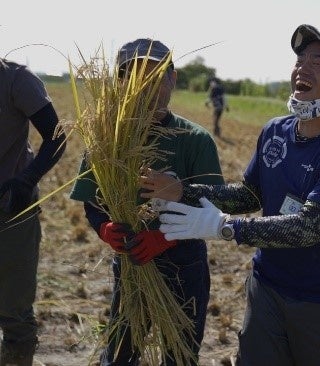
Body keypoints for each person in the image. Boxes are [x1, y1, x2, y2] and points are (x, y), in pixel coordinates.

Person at [138, 24, 320, 366]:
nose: (302, 67)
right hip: (265, 287)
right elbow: (249, 195)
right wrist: (181, 191)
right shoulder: (274, 131)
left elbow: (309, 227)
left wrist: (227, 228)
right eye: (300, 59)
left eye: (319, 61)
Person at [68, 38, 224, 365]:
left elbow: (213, 208)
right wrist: (104, 227)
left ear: (173, 79)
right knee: (121, 353)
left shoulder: (195, 140)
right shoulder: (106, 138)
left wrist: (165, 238)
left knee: (179, 354)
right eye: (134, 78)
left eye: (155, 77)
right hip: (131, 264)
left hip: (184, 266)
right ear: (120, 84)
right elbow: (93, 200)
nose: (145, 88)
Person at [0, 58, 67, 365]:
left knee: (14, 312)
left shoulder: (16, 80)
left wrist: (26, 180)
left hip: (10, 211)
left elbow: (57, 135)